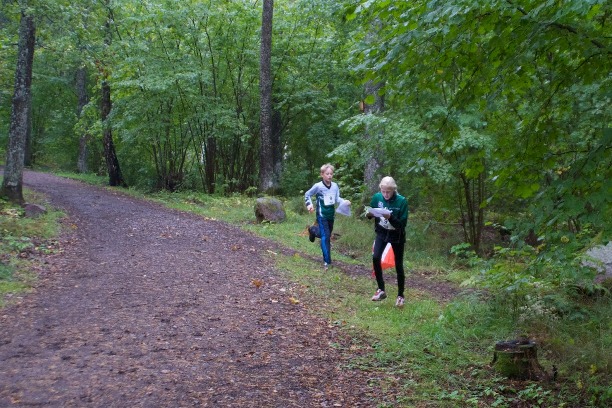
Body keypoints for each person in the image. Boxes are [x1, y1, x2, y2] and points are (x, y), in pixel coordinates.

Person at [366, 176, 409, 307]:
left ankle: (400, 295)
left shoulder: (402, 201)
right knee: (376, 257)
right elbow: (369, 213)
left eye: (388, 192)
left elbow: (401, 224)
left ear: (393, 190)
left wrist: (390, 217)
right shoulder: (377, 197)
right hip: (382, 232)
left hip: (397, 236)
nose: (386, 194)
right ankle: (381, 289)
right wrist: (370, 214)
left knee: (398, 265)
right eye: (383, 191)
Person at [304, 163, 351, 270]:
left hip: (331, 215)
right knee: (326, 237)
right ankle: (327, 262)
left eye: (331, 174)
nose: (329, 176)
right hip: (321, 215)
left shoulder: (335, 186)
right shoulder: (318, 186)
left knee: (326, 234)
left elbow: (337, 199)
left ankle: (313, 230)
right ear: (322, 174)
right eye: (327, 174)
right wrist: (309, 205)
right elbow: (307, 194)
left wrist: (345, 202)